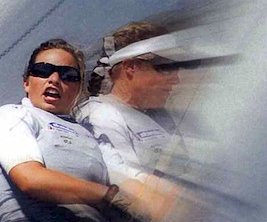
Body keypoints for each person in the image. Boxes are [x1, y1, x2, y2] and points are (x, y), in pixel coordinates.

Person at [0, 38, 183, 222]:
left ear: (78, 88)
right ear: (26, 82)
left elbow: (124, 176)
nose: (54, 79)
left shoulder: (87, 132)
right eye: (43, 71)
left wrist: (175, 200)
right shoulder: (11, 116)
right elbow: (31, 179)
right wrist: (108, 195)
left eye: (68, 75)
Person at [80, 22, 189, 180]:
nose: (176, 79)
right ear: (131, 66)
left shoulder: (160, 114)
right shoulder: (101, 116)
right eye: (167, 67)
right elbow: (128, 185)